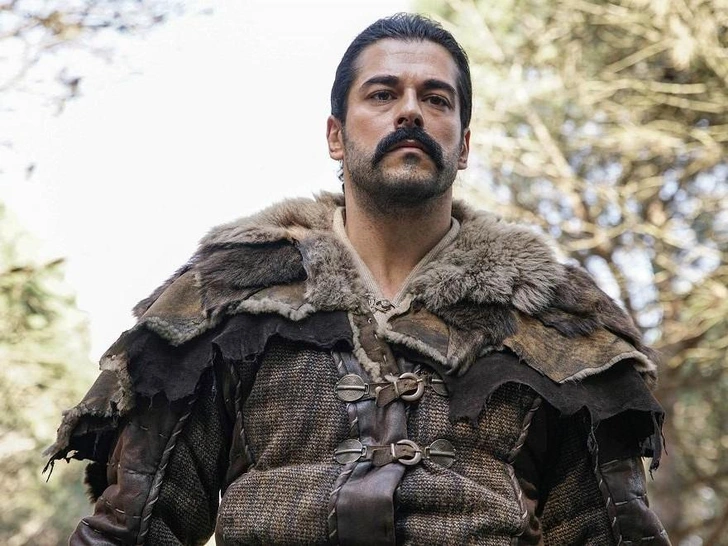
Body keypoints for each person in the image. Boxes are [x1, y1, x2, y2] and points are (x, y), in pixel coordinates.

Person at [46, 13, 671, 545]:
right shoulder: (232, 297)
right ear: (336, 137)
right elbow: (133, 528)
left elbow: (609, 531)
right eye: (382, 95)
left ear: (463, 144)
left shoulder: (555, 320)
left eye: (436, 99)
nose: (410, 111)